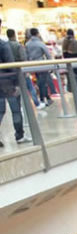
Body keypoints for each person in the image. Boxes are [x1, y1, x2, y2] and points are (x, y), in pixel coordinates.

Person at [0, 19, 24, 148]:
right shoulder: (3, 45)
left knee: (0, 111)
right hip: (6, 82)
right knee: (15, 110)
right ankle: (19, 135)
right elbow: (10, 64)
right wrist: (16, 83)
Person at [26, 27, 57, 108]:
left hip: (33, 65)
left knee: (39, 81)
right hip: (42, 64)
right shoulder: (40, 43)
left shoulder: (27, 44)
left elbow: (26, 55)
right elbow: (47, 54)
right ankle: (43, 99)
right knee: (43, 82)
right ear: (37, 33)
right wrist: (51, 63)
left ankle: (46, 97)